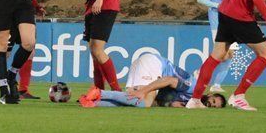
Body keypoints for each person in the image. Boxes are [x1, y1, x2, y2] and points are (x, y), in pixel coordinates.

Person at [79, 53, 225, 108]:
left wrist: (169, 104)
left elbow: (158, 100)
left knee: (132, 103)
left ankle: (92, 102)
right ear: (210, 95)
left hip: (148, 67)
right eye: (213, 101)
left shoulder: (187, 103)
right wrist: (144, 91)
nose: (210, 105)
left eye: (214, 107)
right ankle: (100, 93)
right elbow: (168, 79)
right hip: (154, 64)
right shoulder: (193, 87)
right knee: (143, 102)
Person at [197, 0, 234, 93]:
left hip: (233, 22)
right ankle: (199, 74)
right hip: (217, 21)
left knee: (230, 55)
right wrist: (217, 5)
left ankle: (216, 85)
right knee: (222, 54)